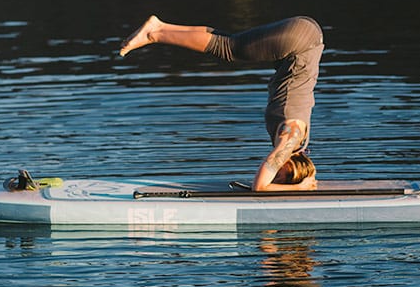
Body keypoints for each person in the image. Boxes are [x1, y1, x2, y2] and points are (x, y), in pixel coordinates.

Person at [119, 15, 323, 191]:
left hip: (304, 39)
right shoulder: (290, 139)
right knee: (229, 47)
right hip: (301, 42)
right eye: (280, 177)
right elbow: (260, 186)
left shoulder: (296, 139)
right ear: (292, 167)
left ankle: (160, 28)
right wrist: (299, 187)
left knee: (229, 41)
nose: (274, 175)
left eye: (275, 178)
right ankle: (155, 33)